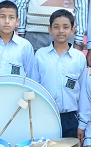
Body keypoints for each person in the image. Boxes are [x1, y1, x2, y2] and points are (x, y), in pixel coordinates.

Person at [32, 9, 87, 138]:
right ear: (50, 29)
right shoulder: (40, 55)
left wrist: (82, 123)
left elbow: (84, 92)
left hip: (70, 117)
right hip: (45, 115)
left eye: (65, 27)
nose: (61, 31)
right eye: (56, 27)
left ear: (73, 30)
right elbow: (34, 87)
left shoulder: (79, 57)